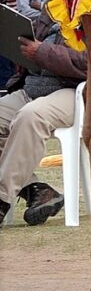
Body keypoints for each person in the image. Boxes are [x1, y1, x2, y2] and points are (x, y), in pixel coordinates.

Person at [0, 31, 85, 226]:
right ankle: (36, 189)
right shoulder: (51, 8)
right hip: (32, 90)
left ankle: (1, 199)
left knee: (30, 116)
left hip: (79, 92)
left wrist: (43, 52)